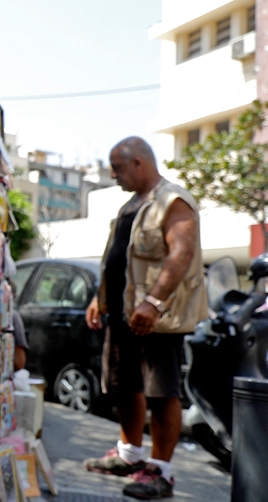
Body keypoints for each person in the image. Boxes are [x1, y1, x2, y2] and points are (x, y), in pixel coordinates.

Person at [82, 137, 206, 500]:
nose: (114, 176)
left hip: (157, 318)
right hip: (123, 314)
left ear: (138, 162)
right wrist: (99, 298)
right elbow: (119, 260)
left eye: (117, 169)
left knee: (161, 391)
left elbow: (181, 253)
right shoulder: (130, 206)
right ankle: (129, 454)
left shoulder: (173, 200)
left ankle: (161, 472)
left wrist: (154, 302)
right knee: (124, 385)